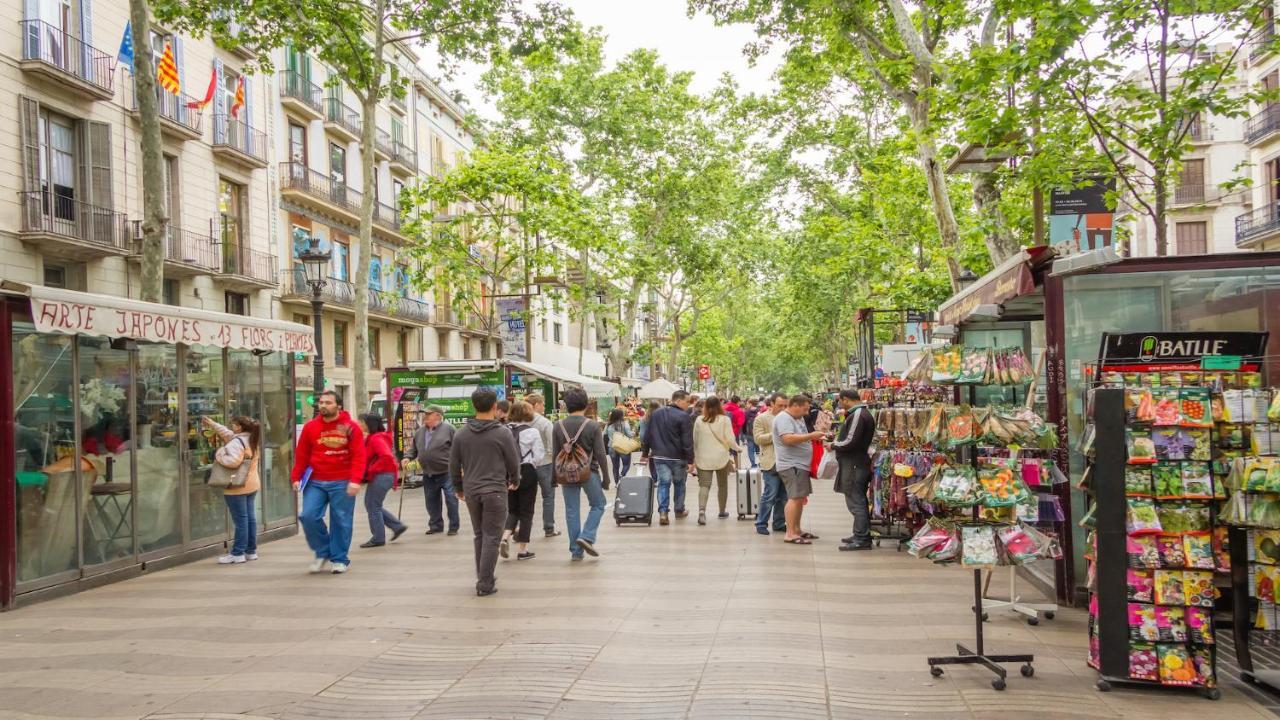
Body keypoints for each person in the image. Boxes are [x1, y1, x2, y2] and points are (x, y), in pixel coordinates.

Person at [450, 387, 519, 596]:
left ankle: (483, 575)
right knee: (492, 536)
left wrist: (458, 487)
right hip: (496, 490)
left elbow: (454, 464)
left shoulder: (461, 434)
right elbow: (512, 461)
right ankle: (485, 582)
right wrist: (515, 480)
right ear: (494, 407)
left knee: (480, 534)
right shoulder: (502, 432)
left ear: (474, 406)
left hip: (472, 490)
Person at [292, 391, 365, 574]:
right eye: (321, 402)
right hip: (315, 481)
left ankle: (339, 558)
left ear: (338, 405)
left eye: (328, 402)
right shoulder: (310, 427)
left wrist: (355, 480)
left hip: (342, 480)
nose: (323, 405)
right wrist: (296, 477)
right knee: (308, 516)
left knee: (341, 520)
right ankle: (323, 551)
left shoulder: (350, 427)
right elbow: (301, 455)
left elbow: (359, 456)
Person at [552, 388, 609, 560]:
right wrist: (606, 477)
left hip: (565, 473)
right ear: (586, 403)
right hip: (588, 472)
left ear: (566, 405)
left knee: (571, 510)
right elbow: (600, 453)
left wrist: (553, 478)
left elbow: (555, 454)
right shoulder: (592, 425)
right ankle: (586, 536)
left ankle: (576, 551)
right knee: (599, 504)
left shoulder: (558, 426)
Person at [203, 415, 261, 564]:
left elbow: (233, 461)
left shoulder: (236, 442)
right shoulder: (251, 439)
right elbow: (227, 434)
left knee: (241, 520)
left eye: (233, 424)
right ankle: (250, 551)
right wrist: (212, 424)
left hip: (236, 486)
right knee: (249, 518)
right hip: (251, 484)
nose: (231, 426)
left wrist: (219, 454)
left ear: (239, 427)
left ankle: (237, 553)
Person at [773, 394, 825, 545]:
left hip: (800, 464)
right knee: (794, 498)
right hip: (791, 464)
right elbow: (787, 439)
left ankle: (797, 529)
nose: (806, 413)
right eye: (804, 409)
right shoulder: (784, 419)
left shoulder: (797, 417)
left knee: (800, 498)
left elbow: (800, 435)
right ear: (795, 405)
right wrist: (811, 436)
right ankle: (790, 533)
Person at [640, 390, 695, 526]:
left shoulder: (656, 414)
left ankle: (663, 512)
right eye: (687, 402)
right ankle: (679, 510)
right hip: (678, 457)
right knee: (679, 483)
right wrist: (690, 460)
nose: (688, 405)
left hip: (659, 456)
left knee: (663, 483)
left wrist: (645, 454)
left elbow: (647, 435)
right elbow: (687, 440)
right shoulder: (684, 416)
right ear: (678, 400)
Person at [834, 389, 878, 551]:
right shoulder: (859, 413)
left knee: (856, 500)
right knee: (856, 499)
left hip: (854, 464)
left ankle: (862, 538)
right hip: (855, 463)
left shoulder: (858, 414)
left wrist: (833, 445)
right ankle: (860, 533)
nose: (839, 404)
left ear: (845, 399)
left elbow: (850, 441)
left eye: (840, 401)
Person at [500, 401, 544, 562]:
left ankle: (505, 537)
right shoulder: (532, 431)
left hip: (508, 473)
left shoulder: (503, 430)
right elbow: (539, 456)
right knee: (526, 511)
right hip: (527, 471)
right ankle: (522, 550)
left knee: (513, 509)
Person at [406, 405, 459, 536]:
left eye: (428, 414)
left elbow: (459, 448)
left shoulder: (449, 429)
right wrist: (407, 457)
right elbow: (413, 449)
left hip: (447, 472)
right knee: (431, 501)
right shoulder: (420, 431)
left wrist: (461, 466)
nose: (425, 416)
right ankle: (435, 525)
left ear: (438, 415)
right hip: (428, 473)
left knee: (451, 499)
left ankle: (453, 526)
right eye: (425, 414)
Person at [357, 413, 407, 548]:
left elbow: (386, 456)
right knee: (372, 504)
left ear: (369, 424)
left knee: (372, 505)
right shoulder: (375, 437)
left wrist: (372, 469)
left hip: (382, 475)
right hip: (384, 475)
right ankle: (397, 526)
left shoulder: (376, 439)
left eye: (361, 422)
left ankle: (378, 537)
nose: (359, 424)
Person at [692, 396, 741, 524]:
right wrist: (737, 448)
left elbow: (695, 440)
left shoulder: (699, 420)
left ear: (705, 406)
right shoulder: (725, 419)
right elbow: (730, 438)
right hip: (721, 457)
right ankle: (722, 511)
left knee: (704, 485)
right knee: (722, 485)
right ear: (720, 405)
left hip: (703, 457)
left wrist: (694, 456)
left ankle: (702, 511)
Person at [524, 393, 560, 538]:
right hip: (545, 464)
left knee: (526, 498)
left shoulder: (521, 422)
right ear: (536, 405)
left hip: (527, 465)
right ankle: (549, 527)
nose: (544, 407)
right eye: (543, 404)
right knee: (548, 496)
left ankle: (521, 528)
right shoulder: (545, 423)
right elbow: (553, 445)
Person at [753, 393, 789, 536]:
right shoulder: (761, 419)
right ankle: (761, 523)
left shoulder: (789, 418)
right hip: (770, 462)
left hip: (786, 461)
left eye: (785, 405)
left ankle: (779, 523)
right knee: (770, 495)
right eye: (780, 405)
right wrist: (775, 434)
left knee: (784, 496)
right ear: (772, 404)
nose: (783, 408)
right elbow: (758, 439)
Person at [604, 407, 635, 485]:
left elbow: (604, 434)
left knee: (615, 466)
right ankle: (622, 476)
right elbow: (630, 435)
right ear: (621, 415)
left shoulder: (608, 425)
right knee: (626, 464)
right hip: (623, 447)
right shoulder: (625, 423)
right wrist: (633, 432)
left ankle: (616, 482)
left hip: (612, 447)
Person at [742, 398, 761, 468]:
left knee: (750, 450)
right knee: (760, 450)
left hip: (749, 434)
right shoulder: (759, 411)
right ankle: (761, 463)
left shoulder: (746, 412)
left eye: (748, 403)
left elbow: (744, 424)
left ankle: (753, 464)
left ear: (750, 404)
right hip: (759, 434)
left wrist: (744, 434)